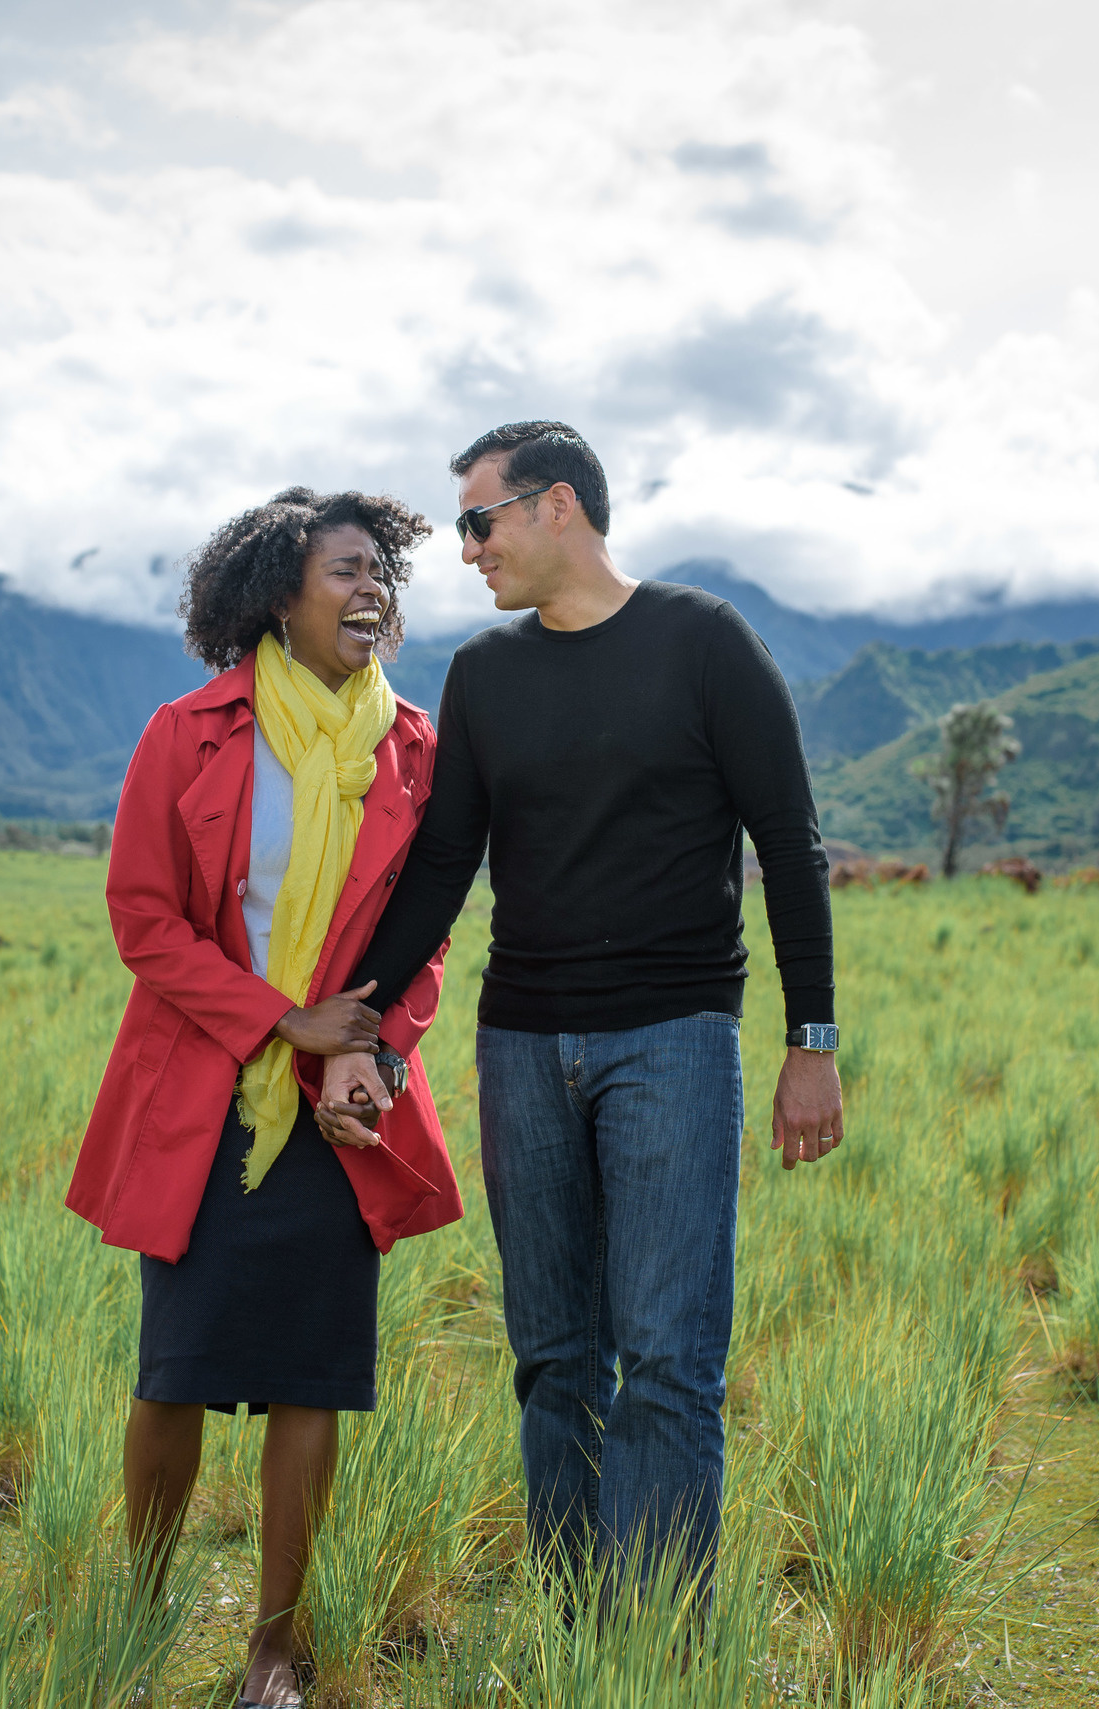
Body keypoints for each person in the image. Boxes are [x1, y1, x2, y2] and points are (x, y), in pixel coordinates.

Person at [326, 421, 845, 1597]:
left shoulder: (703, 642)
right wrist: (358, 1028)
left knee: (666, 1359)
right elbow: (444, 862)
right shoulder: (487, 674)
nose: (465, 549)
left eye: (478, 519)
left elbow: (791, 849)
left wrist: (810, 1043)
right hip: (520, 1043)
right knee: (553, 1357)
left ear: (557, 505)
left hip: (674, 1038)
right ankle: (575, 1627)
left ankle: (650, 1636)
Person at [68, 487, 462, 1709]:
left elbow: (422, 934)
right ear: (276, 594)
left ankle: (275, 1652)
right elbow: (143, 916)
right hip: (206, 1094)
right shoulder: (186, 732)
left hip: (340, 1108)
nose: (370, 591)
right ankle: (133, 1620)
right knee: (172, 1370)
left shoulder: (415, 747)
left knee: (315, 1374)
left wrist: (373, 1049)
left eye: (380, 572)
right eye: (344, 571)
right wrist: (277, 1019)